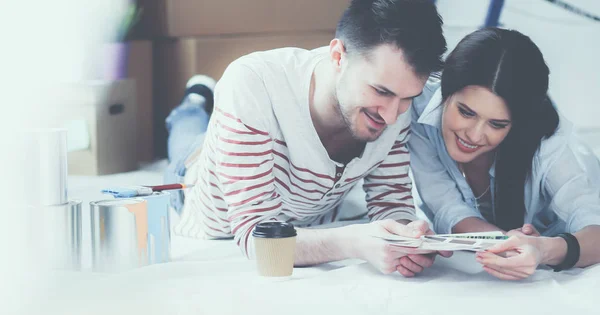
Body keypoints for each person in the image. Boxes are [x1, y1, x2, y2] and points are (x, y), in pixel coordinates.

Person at [164, 0, 449, 277]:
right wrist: (354, 242)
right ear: (338, 56)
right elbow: (261, 237)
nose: (391, 117)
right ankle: (194, 99)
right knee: (187, 132)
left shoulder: (396, 107)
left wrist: (406, 239)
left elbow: (391, 203)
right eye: (381, 92)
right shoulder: (252, 85)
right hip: (201, 188)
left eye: (407, 98)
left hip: (303, 213)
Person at [408, 27, 600, 280]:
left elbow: (594, 229)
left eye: (497, 124)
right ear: (445, 91)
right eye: (466, 112)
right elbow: (448, 209)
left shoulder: (546, 137)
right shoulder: (419, 111)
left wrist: (543, 249)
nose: (474, 136)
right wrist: (507, 242)